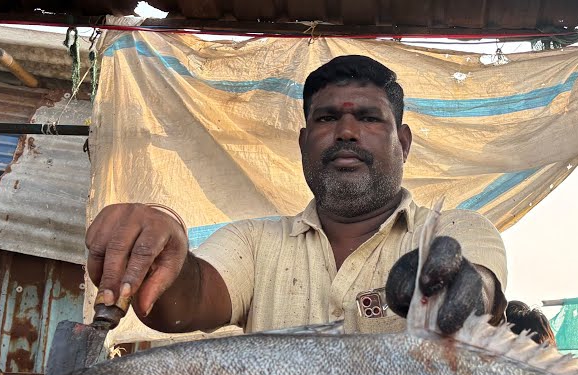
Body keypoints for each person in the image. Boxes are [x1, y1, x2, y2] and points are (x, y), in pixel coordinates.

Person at [85, 55, 508, 337]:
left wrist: (465, 287)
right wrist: (163, 232)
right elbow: (185, 301)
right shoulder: (254, 244)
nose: (346, 131)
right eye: (327, 118)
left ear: (404, 142)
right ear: (304, 143)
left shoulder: (455, 230)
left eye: (368, 118)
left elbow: (482, 292)